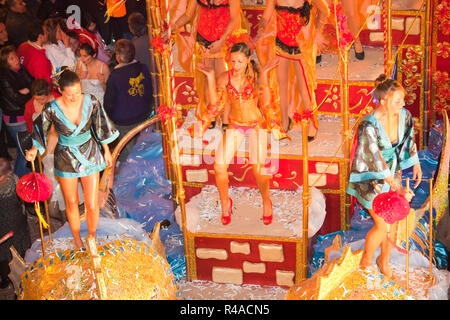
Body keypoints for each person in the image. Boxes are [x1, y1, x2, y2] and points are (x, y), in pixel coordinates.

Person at [190, 41, 284, 225]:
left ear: (249, 59)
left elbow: (267, 103)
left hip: (257, 124)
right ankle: (225, 202)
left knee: (260, 171)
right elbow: (214, 104)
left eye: (240, 61)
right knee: (218, 166)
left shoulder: (256, 77)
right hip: (235, 125)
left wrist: (264, 75)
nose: (236, 66)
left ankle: (266, 200)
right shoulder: (225, 78)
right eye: (233, 61)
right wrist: (210, 77)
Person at [25, 70, 119, 249]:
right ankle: (77, 239)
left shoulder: (91, 100)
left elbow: (100, 126)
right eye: (70, 94)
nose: (75, 97)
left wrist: (106, 150)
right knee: (72, 201)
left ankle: (91, 236)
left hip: (90, 152)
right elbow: (41, 131)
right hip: (66, 156)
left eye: (78, 92)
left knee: (92, 203)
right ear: (60, 90)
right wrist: (34, 150)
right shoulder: (52, 108)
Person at [347, 74, 422, 279]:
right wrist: (396, 186)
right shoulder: (368, 125)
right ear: (383, 101)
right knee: (382, 224)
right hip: (371, 176)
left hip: (393, 171)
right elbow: (376, 160)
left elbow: (408, 141)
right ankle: (366, 261)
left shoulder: (404, 116)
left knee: (393, 219)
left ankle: (384, 261)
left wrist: (414, 162)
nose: (403, 104)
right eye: (398, 101)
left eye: (403, 100)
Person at [256, 0, 329, 139]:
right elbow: (266, 17)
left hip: (301, 46)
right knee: (281, 85)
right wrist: (262, 28)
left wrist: (318, 31)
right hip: (281, 43)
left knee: (304, 86)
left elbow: (325, 10)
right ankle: (284, 120)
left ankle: (312, 122)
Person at [168, 0, 241, 126]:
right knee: (207, 80)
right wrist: (170, 30)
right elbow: (187, 15)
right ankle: (210, 116)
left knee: (223, 79)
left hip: (223, 39)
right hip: (203, 39)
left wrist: (222, 41)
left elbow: (234, 18)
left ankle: (225, 118)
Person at [104, 39, 152, 164]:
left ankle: (128, 173)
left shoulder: (115, 76)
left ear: (118, 57)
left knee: (126, 150)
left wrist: (113, 117)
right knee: (143, 147)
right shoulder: (143, 68)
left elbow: (108, 103)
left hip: (124, 120)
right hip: (143, 115)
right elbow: (149, 89)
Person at [0, 45, 33, 178]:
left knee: (24, 149)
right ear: (5, 62)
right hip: (15, 118)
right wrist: (27, 93)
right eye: (11, 59)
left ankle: (22, 174)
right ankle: (21, 175)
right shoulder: (4, 77)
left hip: (23, 114)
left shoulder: (20, 69)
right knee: (25, 149)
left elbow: (32, 83)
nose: (16, 60)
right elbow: (16, 98)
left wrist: (27, 90)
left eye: (16, 56)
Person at [0, 157, 31, 289]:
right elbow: (23, 200)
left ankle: (7, 279)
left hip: (5, 225)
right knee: (19, 248)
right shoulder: (16, 179)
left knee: (5, 253)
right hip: (18, 221)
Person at [17, 19, 53, 85]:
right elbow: (47, 85)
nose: (48, 33)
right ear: (40, 37)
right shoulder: (40, 59)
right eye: (46, 32)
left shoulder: (22, 46)